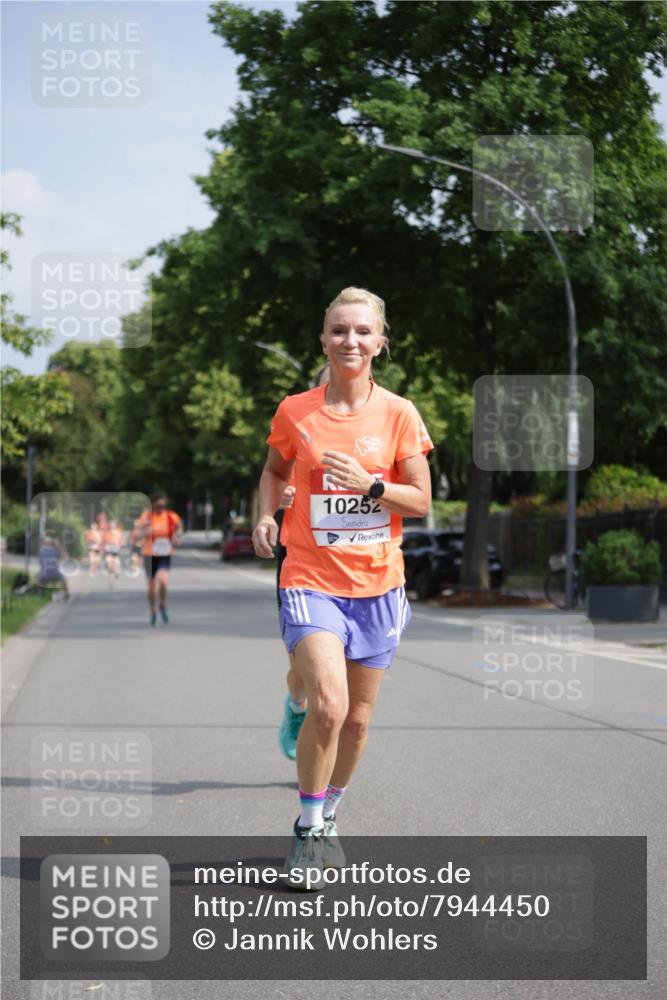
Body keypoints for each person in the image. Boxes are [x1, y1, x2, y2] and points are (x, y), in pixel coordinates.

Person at [252, 287, 433, 888]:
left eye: (362, 331)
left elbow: (424, 501)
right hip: (308, 575)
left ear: (381, 341)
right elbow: (275, 469)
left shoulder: (400, 414)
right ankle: (305, 832)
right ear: (323, 339)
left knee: (356, 721)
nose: (350, 341)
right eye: (338, 331)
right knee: (328, 706)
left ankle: (329, 814)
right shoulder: (295, 411)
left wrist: (372, 486)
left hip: (379, 585)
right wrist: (265, 516)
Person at [277, 363, 330, 760]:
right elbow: (274, 477)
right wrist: (275, 505)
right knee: (301, 664)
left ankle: (325, 751)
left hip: (354, 566)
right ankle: (297, 705)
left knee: (337, 677)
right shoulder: (299, 428)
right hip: (300, 562)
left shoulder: (375, 431)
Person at [138, 492, 183, 626]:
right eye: (158, 506)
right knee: (151, 588)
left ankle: (162, 605)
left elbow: (179, 526)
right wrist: (147, 531)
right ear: (153, 505)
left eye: (163, 506)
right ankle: (152, 611)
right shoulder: (147, 517)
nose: (161, 508)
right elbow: (139, 533)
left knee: (163, 580)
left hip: (164, 553)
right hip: (149, 554)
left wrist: (177, 535)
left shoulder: (170, 516)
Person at [36, 535, 70, 599]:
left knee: (38, 576)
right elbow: (65, 556)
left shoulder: (43, 551)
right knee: (63, 578)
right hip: (53, 574)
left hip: (46, 574)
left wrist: (58, 546)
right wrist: (58, 545)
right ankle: (66, 593)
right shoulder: (52, 551)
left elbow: (65, 556)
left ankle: (39, 594)